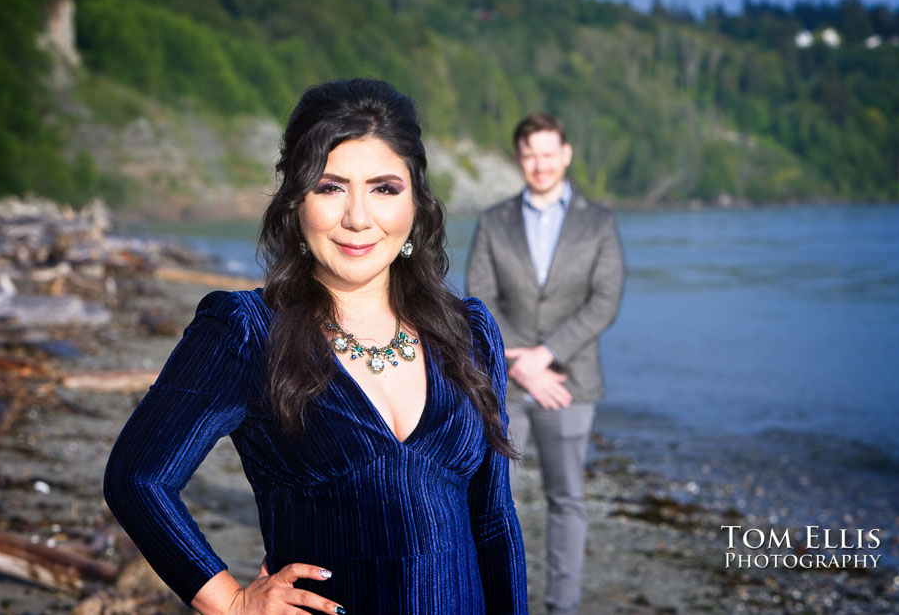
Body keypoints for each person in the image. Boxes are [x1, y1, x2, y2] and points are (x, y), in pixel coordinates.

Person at [104, 78, 528, 615]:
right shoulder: (247, 330)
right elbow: (138, 479)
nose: (357, 216)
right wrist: (231, 602)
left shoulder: (468, 333)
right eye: (329, 187)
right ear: (295, 203)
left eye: (384, 188)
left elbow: (493, 522)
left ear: (417, 203)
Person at [466, 113, 624, 615]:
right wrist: (521, 365)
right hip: (503, 385)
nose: (540, 163)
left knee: (567, 500)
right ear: (519, 158)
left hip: (571, 383)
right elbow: (479, 298)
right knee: (490, 499)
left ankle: (562, 606)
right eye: (530, 154)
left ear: (566, 154)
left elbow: (605, 299)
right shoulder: (493, 221)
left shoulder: (599, 222)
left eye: (548, 153)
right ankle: (492, 600)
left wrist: (547, 354)